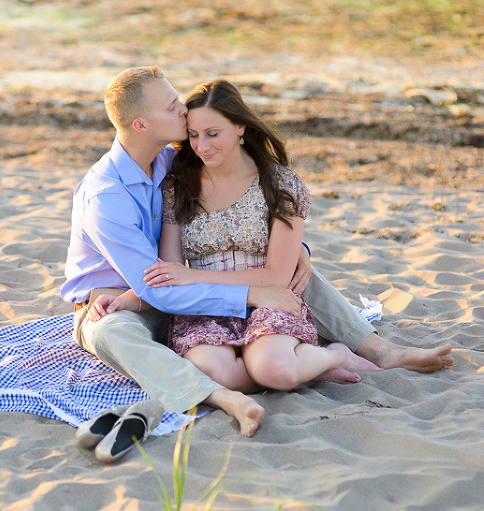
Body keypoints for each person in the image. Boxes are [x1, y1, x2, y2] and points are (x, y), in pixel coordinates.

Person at [60, 66, 453, 436]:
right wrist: (250, 291)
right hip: (117, 302)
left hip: (170, 289)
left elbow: (219, 244)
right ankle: (217, 395)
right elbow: (158, 285)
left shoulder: (169, 160)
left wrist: (298, 249)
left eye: (178, 99)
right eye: (171, 106)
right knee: (111, 333)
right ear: (140, 125)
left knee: (292, 274)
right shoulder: (105, 196)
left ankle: (380, 351)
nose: (183, 110)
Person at [89, 79, 381, 393]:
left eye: (213, 134)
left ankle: (333, 355)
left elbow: (276, 276)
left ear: (241, 127)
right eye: (194, 135)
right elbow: (169, 274)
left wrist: (192, 275)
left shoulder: (280, 182)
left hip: (268, 298)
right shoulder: (178, 184)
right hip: (204, 307)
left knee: (275, 370)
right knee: (214, 373)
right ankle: (311, 367)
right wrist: (127, 301)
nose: (202, 147)